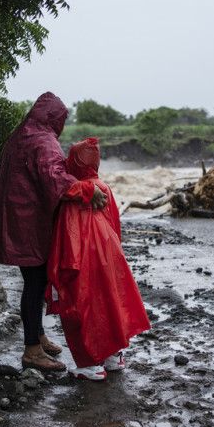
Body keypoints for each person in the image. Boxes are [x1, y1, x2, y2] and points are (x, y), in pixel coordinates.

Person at [0, 92, 108, 372]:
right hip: (29, 222)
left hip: (15, 217)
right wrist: (87, 190)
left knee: (34, 280)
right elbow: (54, 177)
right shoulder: (43, 140)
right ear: (55, 118)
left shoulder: (22, 134)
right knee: (35, 283)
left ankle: (38, 336)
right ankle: (31, 350)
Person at [46, 137, 151, 381]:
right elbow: (115, 223)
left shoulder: (75, 195)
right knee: (110, 304)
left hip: (82, 258)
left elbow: (68, 233)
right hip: (110, 254)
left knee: (81, 308)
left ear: (72, 163)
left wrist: (59, 270)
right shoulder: (103, 187)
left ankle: (89, 364)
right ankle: (113, 356)